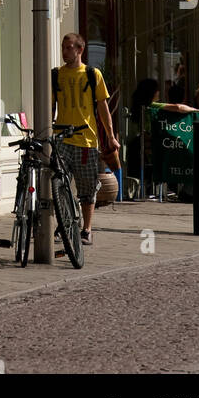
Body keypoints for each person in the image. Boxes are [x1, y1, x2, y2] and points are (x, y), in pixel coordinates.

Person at [52, 33, 119, 246]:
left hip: (86, 141)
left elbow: (103, 107)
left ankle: (87, 229)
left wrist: (110, 137)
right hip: (62, 139)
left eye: (69, 48)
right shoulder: (56, 75)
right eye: (63, 48)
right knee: (59, 183)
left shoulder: (92, 74)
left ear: (80, 50)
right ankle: (64, 222)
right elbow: (50, 106)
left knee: (87, 189)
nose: (65, 52)